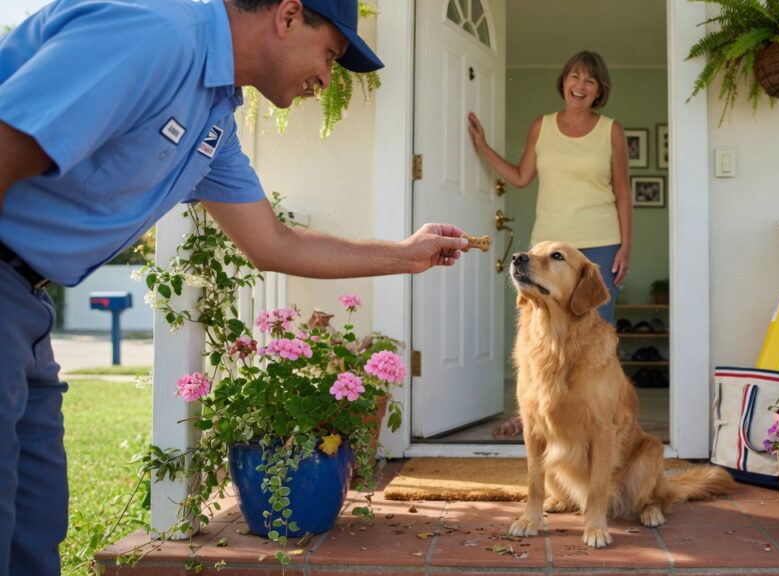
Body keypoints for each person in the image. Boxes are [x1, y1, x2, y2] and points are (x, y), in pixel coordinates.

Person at [0, 0, 469, 573]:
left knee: (33, 526)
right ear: (289, 14)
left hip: (27, 303)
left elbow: (273, 241)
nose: (326, 79)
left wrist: (405, 255)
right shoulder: (159, 36)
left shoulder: (214, 121)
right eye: (330, 54)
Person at [466, 50, 632, 439]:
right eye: (575, 77)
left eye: (590, 81)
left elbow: (623, 191)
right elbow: (522, 176)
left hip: (601, 241)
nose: (580, 85)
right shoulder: (542, 127)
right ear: (564, 82)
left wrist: (626, 246)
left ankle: (592, 419)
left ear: (598, 91)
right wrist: (483, 147)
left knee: (596, 335)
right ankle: (531, 416)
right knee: (536, 327)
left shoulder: (612, 130)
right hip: (548, 247)